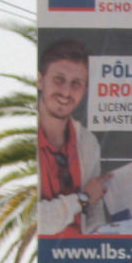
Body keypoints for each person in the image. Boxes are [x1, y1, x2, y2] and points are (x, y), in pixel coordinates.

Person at [36, 38, 104, 237]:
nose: (66, 92)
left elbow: (95, 213)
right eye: (59, 79)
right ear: (40, 80)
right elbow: (35, 221)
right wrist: (82, 199)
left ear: (85, 91)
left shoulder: (87, 142)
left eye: (76, 84)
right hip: (40, 260)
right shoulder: (23, 137)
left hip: (80, 261)